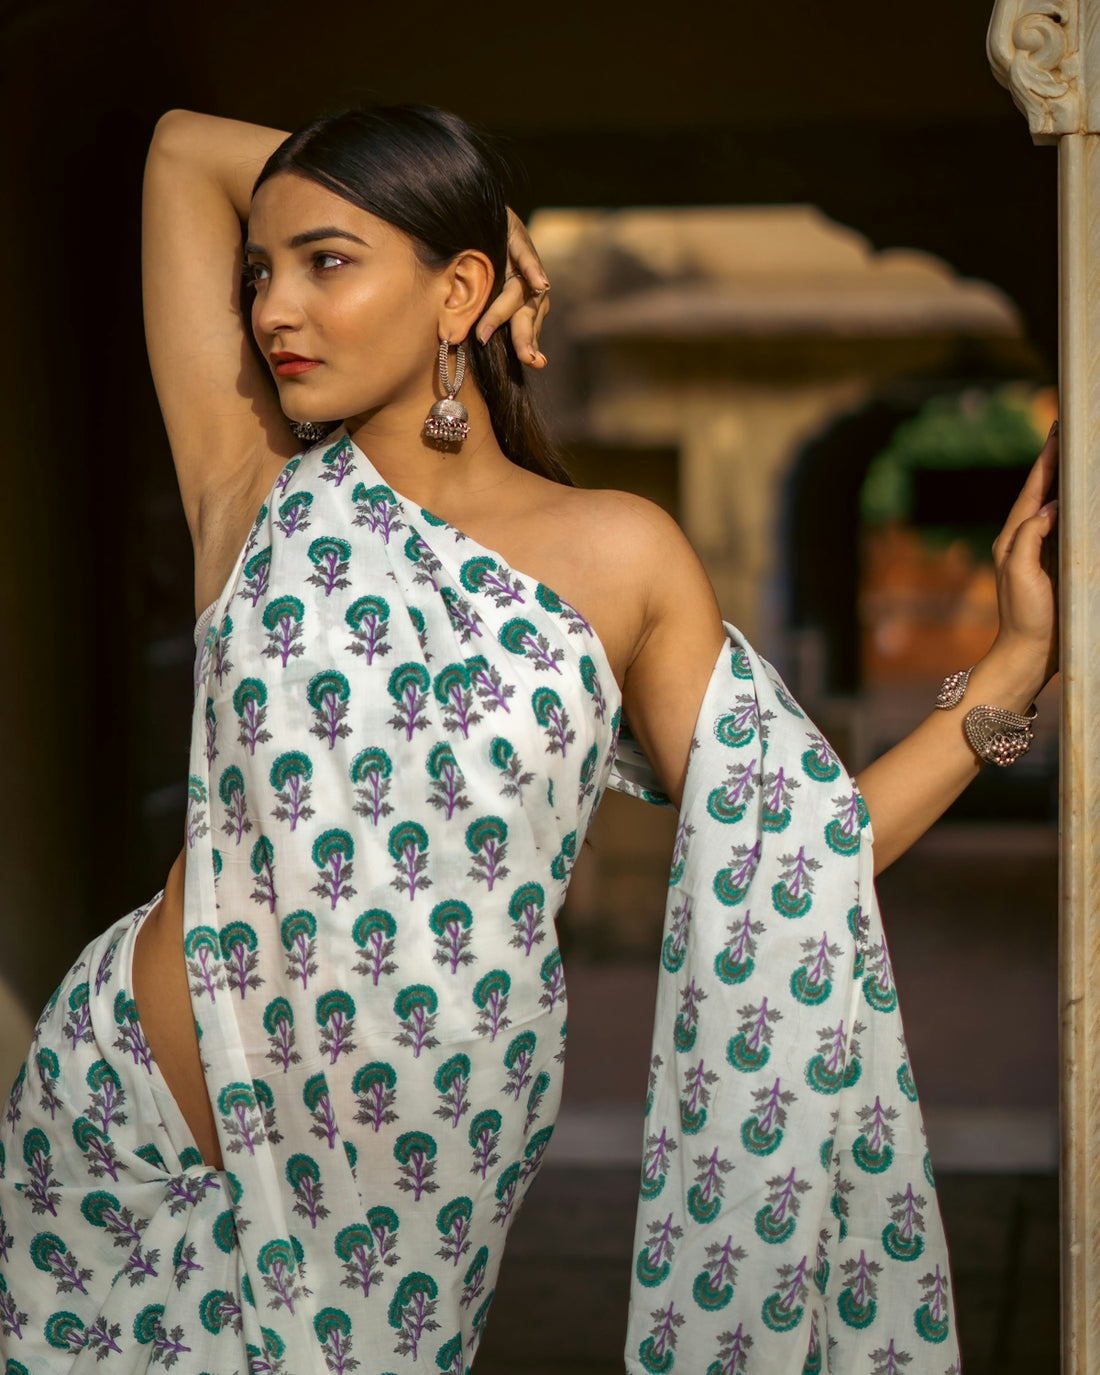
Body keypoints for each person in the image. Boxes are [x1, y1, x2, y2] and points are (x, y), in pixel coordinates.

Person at [0, 105, 1056, 1375]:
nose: (275, 307)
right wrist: (465, 216)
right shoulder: (252, 486)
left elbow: (801, 851)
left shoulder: (618, 555)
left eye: (328, 262)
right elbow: (175, 147)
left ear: (457, 297)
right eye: (259, 271)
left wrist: (1007, 666)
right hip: (124, 1122)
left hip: (403, 1197)